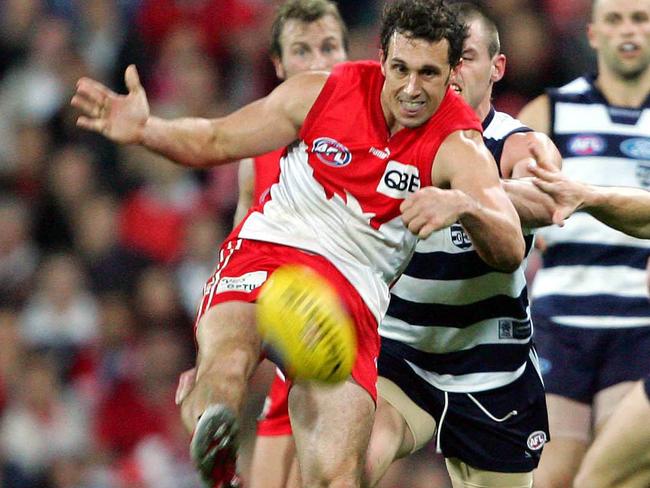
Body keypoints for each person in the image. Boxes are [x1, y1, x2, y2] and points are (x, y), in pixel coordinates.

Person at [71, 1, 526, 486]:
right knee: (227, 362)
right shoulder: (324, 91)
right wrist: (146, 129)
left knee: (337, 476)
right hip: (269, 247)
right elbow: (216, 140)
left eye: (428, 74)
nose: (411, 89)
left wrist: (465, 208)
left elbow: (511, 244)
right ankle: (217, 440)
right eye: (400, 69)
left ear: (453, 70)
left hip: (350, 291)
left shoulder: (459, 143)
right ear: (381, 57)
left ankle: (215, 430)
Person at [517, 0, 650, 486]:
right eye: (614, 19)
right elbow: (506, 193)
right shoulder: (553, 110)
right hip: (560, 325)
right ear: (593, 34)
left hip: (640, 327)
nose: (628, 30)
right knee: (550, 478)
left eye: (640, 18)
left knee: (617, 477)